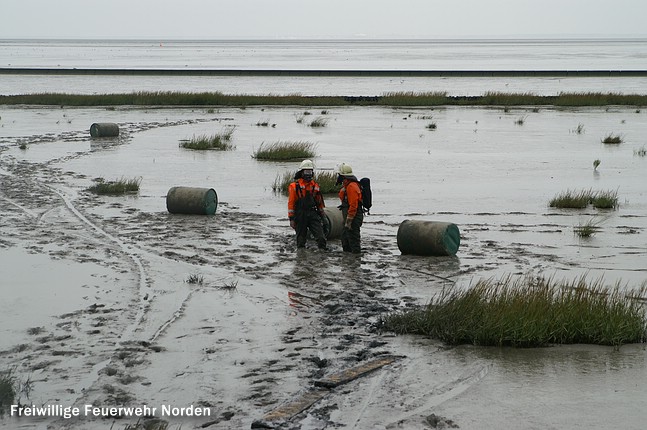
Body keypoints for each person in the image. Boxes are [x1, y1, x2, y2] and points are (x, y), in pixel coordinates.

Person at [287, 159, 327, 250]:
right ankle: (301, 258)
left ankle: (322, 255)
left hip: (313, 213)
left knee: (321, 237)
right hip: (300, 215)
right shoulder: (294, 186)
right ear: (301, 173)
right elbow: (291, 203)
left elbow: (319, 202)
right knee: (301, 240)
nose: (308, 174)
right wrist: (291, 219)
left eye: (310, 171)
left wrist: (323, 216)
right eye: (306, 171)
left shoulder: (315, 186)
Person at [337, 162, 363, 254]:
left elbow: (353, 205)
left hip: (354, 217)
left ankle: (356, 257)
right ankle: (347, 257)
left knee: (353, 238)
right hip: (349, 216)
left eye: (339, 175)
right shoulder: (347, 186)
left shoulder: (351, 187)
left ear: (344, 176)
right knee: (345, 237)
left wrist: (349, 220)